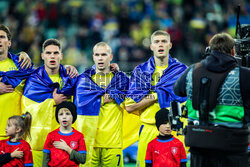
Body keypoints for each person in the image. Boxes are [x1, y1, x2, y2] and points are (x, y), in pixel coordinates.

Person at [174, 32, 250, 167]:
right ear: (233, 51)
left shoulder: (192, 70)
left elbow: (177, 90)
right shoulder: (244, 74)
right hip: (232, 146)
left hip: (199, 143)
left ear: (209, 50)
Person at [125, 30, 187, 167]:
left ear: (170, 45)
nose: (160, 45)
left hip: (174, 131)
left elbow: (188, 102)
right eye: (157, 42)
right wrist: (155, 96)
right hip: (149, 130)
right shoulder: (141, 71)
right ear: (151, 46)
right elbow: (129, 107)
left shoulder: (182, 71)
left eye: (164, 41)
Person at [21, 38, 78, 166]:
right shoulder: (33, 80)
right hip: (37, 142)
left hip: (63, 142)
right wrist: (52, 102)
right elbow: (27, 110)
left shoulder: (70, 79)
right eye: (48, 53)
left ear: (61, 56)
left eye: (56, 53)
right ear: (42, 56)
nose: (52, 56)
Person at [74, 42, 129, 167]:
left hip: (112, 142)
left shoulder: (122, 79)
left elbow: (134, 97)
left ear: (110, 57)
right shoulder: (83, 80)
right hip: (88, 143)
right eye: (97, 55)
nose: (100, 58)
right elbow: (79, 104)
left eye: (104, 54)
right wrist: (103, 99)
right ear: (93, 57)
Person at [0, 24, 34, 141]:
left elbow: (41, 77)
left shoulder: (21, 64)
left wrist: (66, 68)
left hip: (17, 133)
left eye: (2, 37)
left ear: (9, 43)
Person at [43, 101, 86, 167]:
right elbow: (46, 159)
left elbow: (83, 159)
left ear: (73, 116)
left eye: (67, 114)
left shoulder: (79, 136)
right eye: (61, 114)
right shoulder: (51, 135)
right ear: (57, 117)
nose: (64, 117)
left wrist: (67, 148)